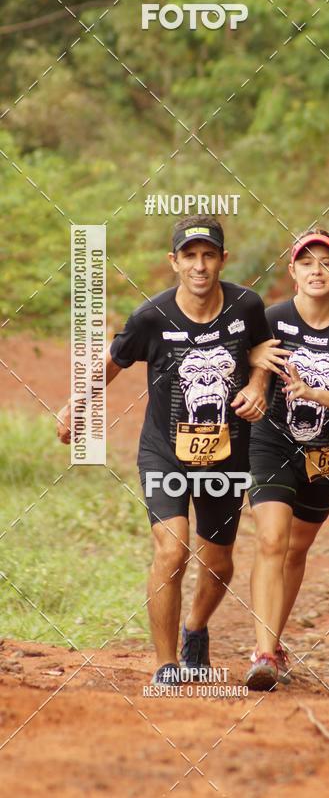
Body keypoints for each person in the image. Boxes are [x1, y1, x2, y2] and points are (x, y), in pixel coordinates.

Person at [56, 216, 271, 685]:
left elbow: (264, 351)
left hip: (226, 451)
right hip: (165, 452)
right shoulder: (150, 317)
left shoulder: (246, 306)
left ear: (222, 260)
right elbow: (112, 362)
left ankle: (196, 629)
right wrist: (77, 404)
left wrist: (257, 386)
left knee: (217, 561)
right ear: (173, 262)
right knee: (171, 551)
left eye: (208, 255)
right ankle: (165, 663)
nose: (200, 265)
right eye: (189, 256)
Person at [244, 228, 329, 690]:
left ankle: (274, 642)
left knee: (298, 548)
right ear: (293, 272)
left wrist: (312, 392)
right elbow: (245, 366)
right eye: (307, 263)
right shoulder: (273, 319)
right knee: (272, 540)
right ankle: (262, 653)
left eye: (326, 263)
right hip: (272, 443)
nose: (316, 271)